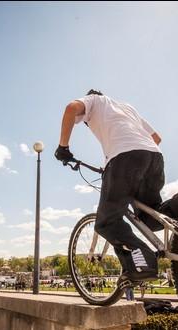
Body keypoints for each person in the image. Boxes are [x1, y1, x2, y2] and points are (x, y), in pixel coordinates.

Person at [55, 89, 164, 287]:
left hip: (125, 157)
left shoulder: (94, 100)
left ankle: (143, 262)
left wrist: (63, 147)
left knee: (106, 222)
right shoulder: (126, 107)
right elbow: (156, 138)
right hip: (153, 156)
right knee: (152, 217)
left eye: (85, 121)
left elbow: (71, 108)